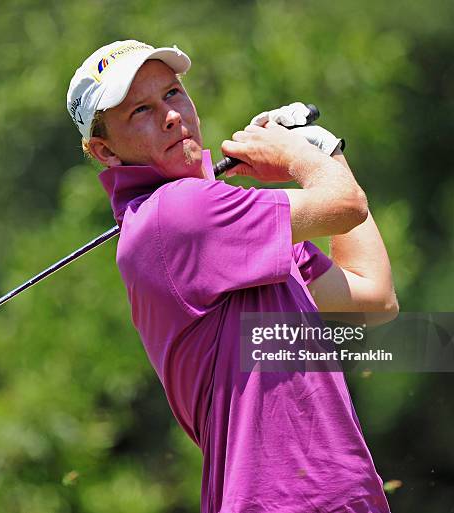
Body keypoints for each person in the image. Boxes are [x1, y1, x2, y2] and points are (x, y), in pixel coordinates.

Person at [66, 40, 399, 513]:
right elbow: (344, 205)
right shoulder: (177, 214)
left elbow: (372, 296)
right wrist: (298, 159)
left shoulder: (231, 224)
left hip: (340, 497)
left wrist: (320, 148)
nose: (171, 116)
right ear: (105, 150)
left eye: (174, 94)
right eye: (141, 109)